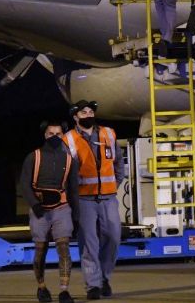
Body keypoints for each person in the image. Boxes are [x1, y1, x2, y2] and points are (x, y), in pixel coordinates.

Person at [62, 100, 123, 300]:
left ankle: (104, 277)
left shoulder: (108, 133)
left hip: (108, 197)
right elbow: (65, 173)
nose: (88, 115)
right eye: (83, 112)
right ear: (75, 117)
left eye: (90, 111)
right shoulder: (68, 139)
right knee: (89, 244)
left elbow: (118, 163)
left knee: (113, 237)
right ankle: (93, 286)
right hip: (84, 199)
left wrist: (113, 185)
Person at [20, 120, 80, 303]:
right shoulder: (34, 157)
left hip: (61, 209)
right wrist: (34, 204)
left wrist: (76, 216)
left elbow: (73, 189)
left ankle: (64, 290)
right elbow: (24, 183)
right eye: (50, 133)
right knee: (40, 250)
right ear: (44, 135)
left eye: (58, 134)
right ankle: (42, 287)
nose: (54, 137)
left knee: (64, 248)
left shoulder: (69, 160)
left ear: (63, 136)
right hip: (40, 210)